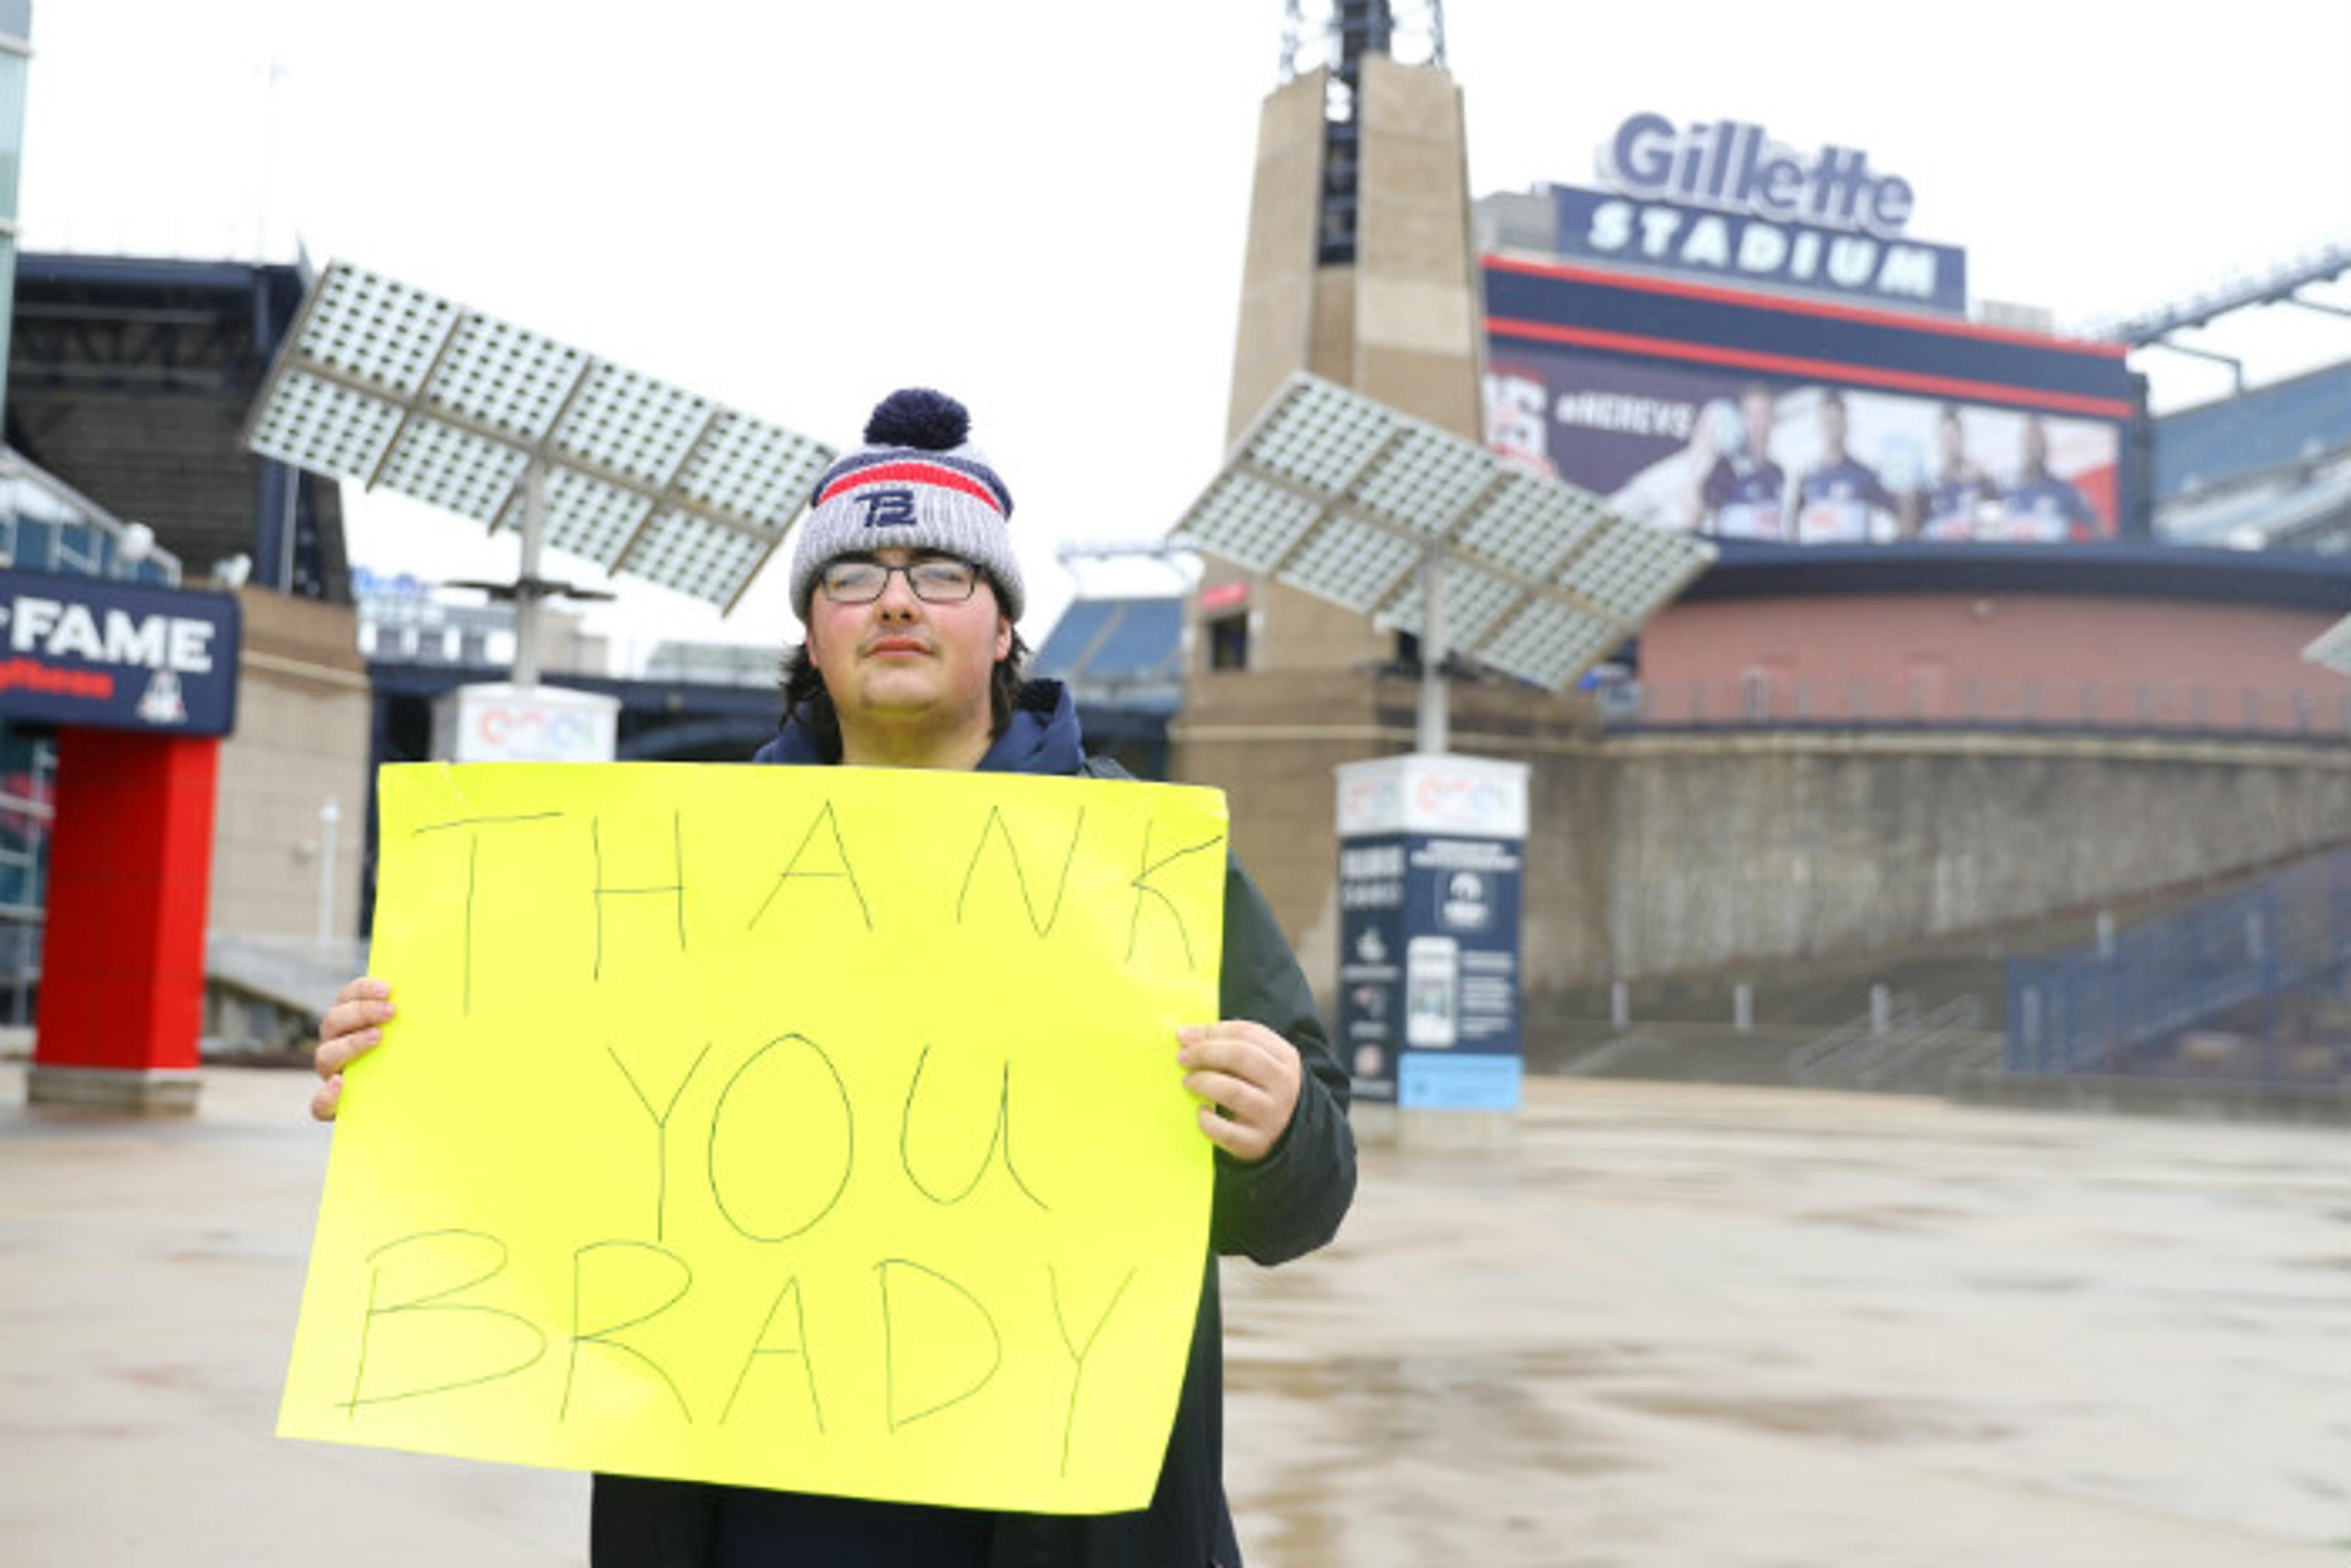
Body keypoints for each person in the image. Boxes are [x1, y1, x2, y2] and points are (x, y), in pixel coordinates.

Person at [311, 388, 1357, 1568]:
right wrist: (415, 1087)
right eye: (853, 575)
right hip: (747, 1510)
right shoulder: (678, 865)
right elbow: (583, 1141)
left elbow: (1310, 1195)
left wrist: (1276, 1134)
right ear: (813, 633)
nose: (898, 597)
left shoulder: (1150, 865)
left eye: (944, 573)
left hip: (1064, 1519)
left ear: (1005, 628)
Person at [1793, 388, 1902, 543]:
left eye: (1835, 422)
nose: (1831, 428)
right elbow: (1795, 527)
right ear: (1819, 426)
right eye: (1827, 422)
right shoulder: (1807, 477)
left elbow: (1898, 513)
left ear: (1846, 425)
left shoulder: (1864, 475)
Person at [1694, 381, 1789, 539]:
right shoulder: (1726, 467)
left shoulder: (1779, 473)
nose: (1757, 422)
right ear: (1742, 419)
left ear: (1773, 418)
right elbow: (1698, 515)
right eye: (1751, 414)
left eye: (1763, 414)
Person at [1998, 416, 2103, 542]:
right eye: (2030, 442)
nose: (2034, 449)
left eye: (2038, 442)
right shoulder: (2003, 490)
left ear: (2046, 447)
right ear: (2022, 445)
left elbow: (2100, 531)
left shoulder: (2066, 490)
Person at [1914, 402, 1999, 541]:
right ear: (1938, 439)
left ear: (1962, 437)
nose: (1949, 443)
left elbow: (1992, 534)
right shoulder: (1928, 488)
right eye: (1945, 437)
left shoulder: (1983, 482)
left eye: (1953, 436)